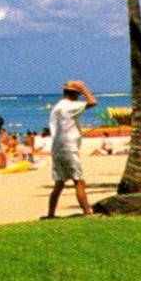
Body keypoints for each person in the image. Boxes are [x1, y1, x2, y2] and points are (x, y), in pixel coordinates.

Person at [46, 79, 97, 218]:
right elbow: (92, 102)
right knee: (78, 180)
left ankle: (50, 214)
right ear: (74, 94)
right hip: (68, 147)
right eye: (78, 94)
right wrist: (84, 88)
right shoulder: (69, 106)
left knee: (59, 183)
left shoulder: (58, 106)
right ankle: (87, 212)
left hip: (58, 147)